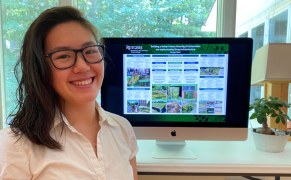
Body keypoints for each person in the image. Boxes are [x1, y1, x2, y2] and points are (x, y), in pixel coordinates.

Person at [0, 6, 138, 180]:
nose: (82, 66)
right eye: (63, 56)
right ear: (40, 68)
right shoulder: (15, 144)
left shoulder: (122, 129)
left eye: (90, 51)